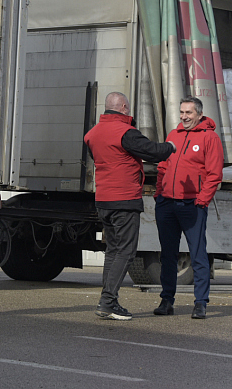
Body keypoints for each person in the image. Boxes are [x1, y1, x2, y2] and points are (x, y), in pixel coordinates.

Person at [83, 92, 176, 320]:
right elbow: (153, 151)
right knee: (125, 251)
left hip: (103, 199)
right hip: (124, 198)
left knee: (113, 251)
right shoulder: (126, 132)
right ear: (124, 107)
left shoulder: (92, 134)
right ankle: (108, 302)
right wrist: (172, 146)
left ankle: (107, 301)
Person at [153, 96, 223, 319]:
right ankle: (166, 300)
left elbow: (214, 174)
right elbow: (163, 166)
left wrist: (201, 201)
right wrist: (159, 192)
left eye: (189, 113)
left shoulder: (210, 138)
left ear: (199, 114)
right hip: (167, 203)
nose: (184, 117)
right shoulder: (173, 135)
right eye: (182, 112)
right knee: (168, 255)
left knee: (197, 254)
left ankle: (200, 303)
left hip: (192, 205)